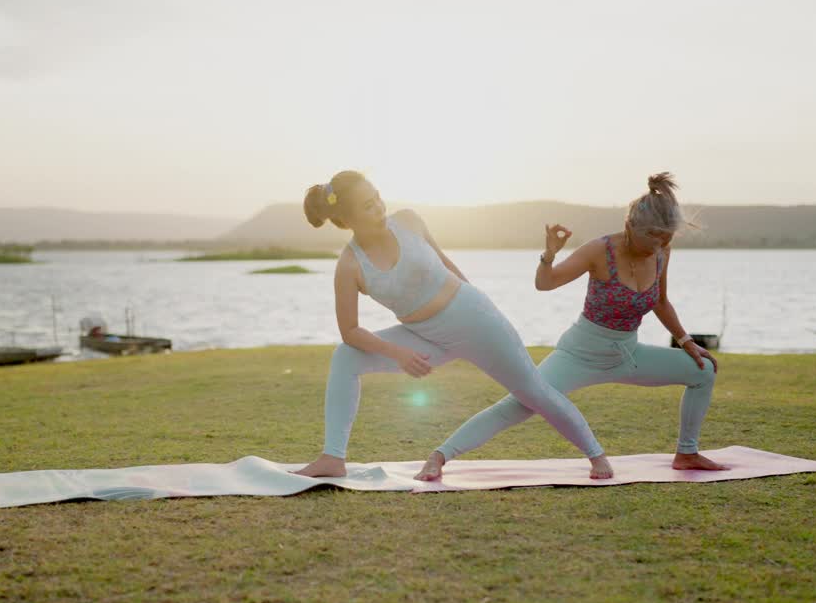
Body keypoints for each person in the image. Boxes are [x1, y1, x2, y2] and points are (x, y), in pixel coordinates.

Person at [290, 171, 614, 480]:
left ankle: (596, 455)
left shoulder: (408, 220)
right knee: (346, 356)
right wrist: (399, 353)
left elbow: (446, 262)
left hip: (474, 320)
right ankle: (333, 457)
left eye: (376, 196)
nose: (378, 206)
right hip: (425, 336)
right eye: (367, 205)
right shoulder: (349, 265)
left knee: (533, 392)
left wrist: (480, 308)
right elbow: (351, 332)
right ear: (346, 220)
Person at [414, 172, 724, 481]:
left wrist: (685, 341)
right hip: (580, 354)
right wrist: (549, 254)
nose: (659, 245)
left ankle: (686, 453)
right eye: (653, 238)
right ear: (630, 226)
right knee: (519, 404)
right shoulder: (599, 250)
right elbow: (545, 284)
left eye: (666, 239)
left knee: (702, 372)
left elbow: (660, 301)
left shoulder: (661, 252)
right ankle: (440, 455)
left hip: (628, 353)